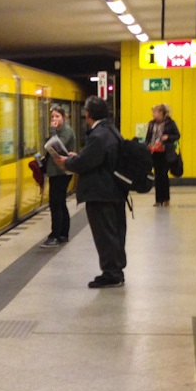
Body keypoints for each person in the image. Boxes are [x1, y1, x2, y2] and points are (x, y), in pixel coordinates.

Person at [51, 95, 126, 288]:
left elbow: (86, 162)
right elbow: (95, 157)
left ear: (88, 114)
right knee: (115, 232)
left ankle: (111, 274)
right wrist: (80, 156)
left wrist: (66, 162)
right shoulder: (110, 130)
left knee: (105, 234)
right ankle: (116, 270)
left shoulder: (98, 135)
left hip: (100, 193)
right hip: (114, 191)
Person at [40, 105, 75, 246]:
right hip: (56, 172)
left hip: (61, 172)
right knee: (60, 202)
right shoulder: (61, 131)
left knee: (56, 203)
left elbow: (56, 145)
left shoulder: (66, 131)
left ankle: (55, 235)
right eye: (52, 117)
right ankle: (62, 234)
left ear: (64, 117)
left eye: (57, 116)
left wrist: (52, 129)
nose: (54, 119)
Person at [144, 103, 181, 207]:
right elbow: (148, 138)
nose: (153, 114)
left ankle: (166, 199)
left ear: (161, 113)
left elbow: (177, 135)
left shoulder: (170, 123)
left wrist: (168, 137)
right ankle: (158, 200)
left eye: (154, 112)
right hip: (154, 152)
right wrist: (146, 147)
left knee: (164, 175)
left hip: (165, 153)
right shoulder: (151, 124)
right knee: (157, 175)